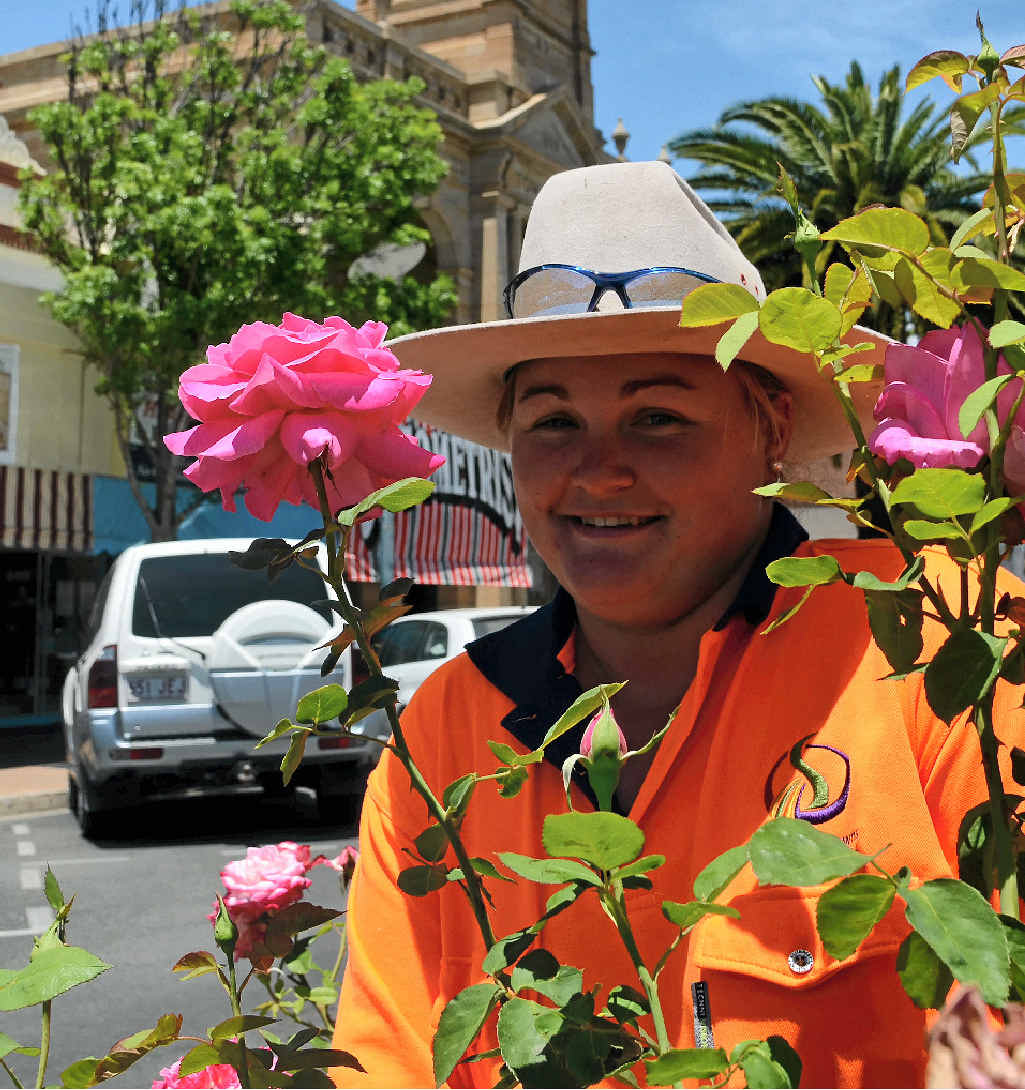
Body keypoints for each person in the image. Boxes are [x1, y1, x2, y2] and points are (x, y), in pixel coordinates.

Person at [330, 161, 1023, 1088]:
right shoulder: (444, 734)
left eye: (657, 417)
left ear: (771, 426)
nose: (597, 471)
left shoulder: (933, 641)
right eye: (552, 422)